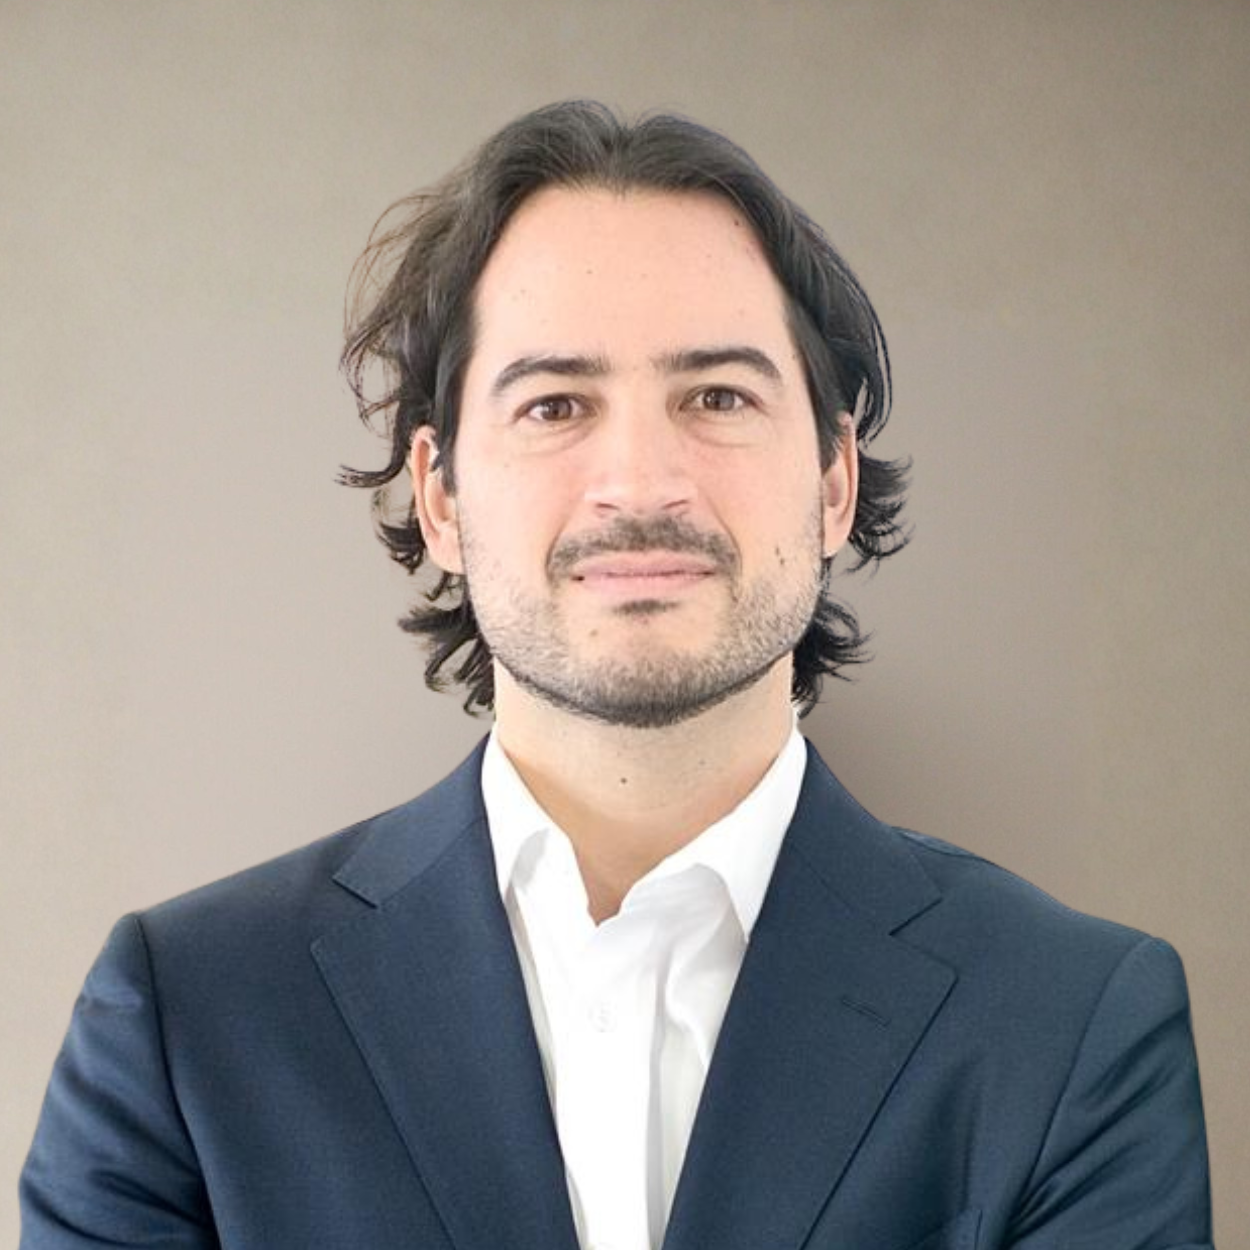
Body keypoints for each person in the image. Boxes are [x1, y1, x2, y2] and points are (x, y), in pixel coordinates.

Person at [21, 101, 1213, 1250]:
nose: (639, 482)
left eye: (716, 396)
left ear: (833, 481)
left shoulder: (1072, 1021)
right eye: (554, 404)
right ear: (438, 498)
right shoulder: (185, 1019)